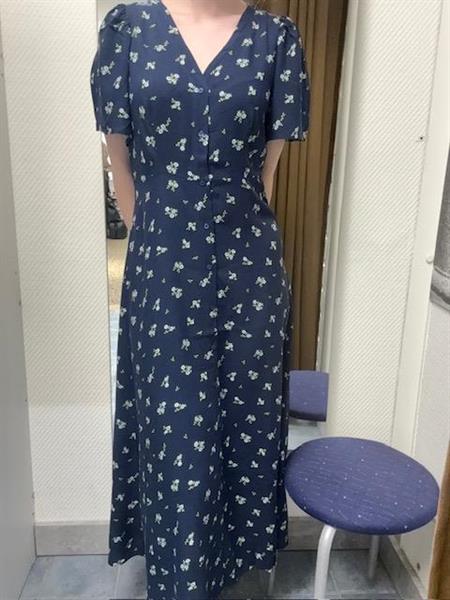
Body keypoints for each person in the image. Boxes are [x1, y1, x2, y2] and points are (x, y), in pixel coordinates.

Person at [90, 0, 310, 598]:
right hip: (161, 266)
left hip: (249, 273)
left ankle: (228, 566)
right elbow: (119, 161)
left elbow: (266, 175)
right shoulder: (129, 29)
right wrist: (158, 238)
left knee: (242, 420)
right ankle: (179, 576)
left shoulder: (276, 40)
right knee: (173, 426)